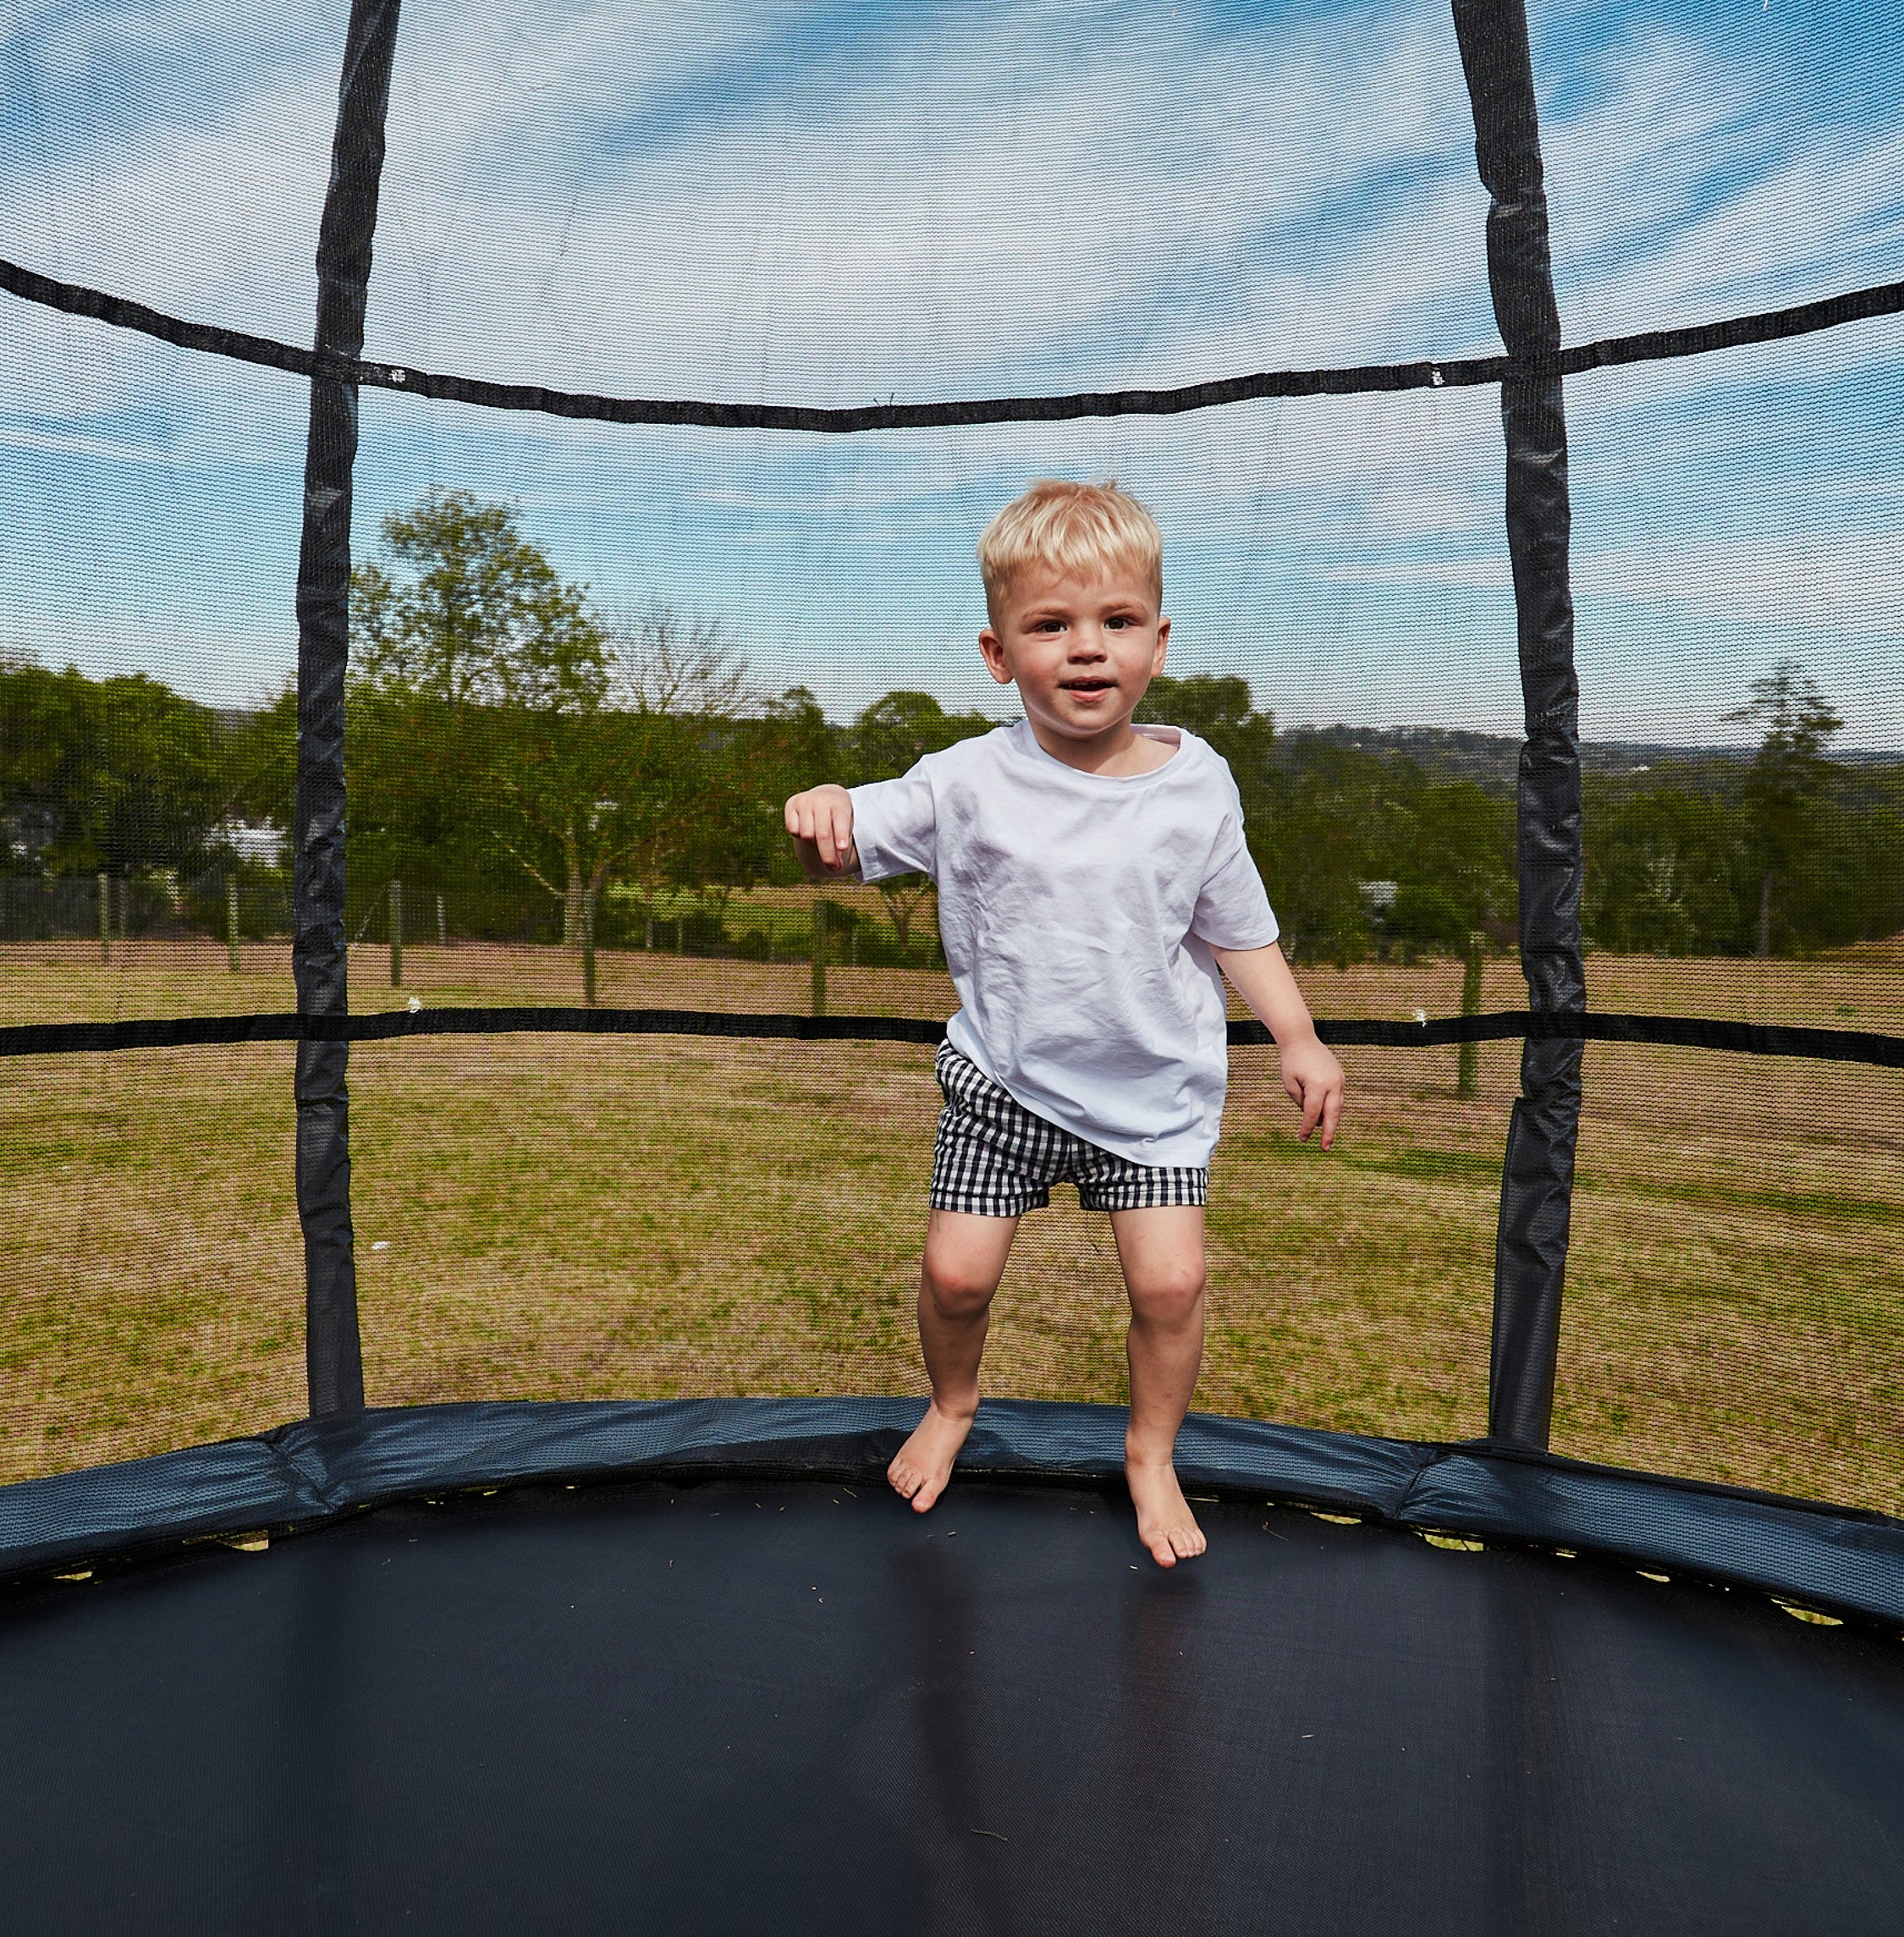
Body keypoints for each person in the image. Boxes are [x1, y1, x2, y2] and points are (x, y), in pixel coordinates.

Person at [784, 479, 1344, 1567]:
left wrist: (1298, 1035)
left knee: (1172, 1284)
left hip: (1153, 1097)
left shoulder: (1199, 785)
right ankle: (953, 1406)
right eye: (1051, 626)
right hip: (1004, 1085)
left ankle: (1150, 1453)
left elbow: (1239, 929)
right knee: (955, 1277)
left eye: (1115, 622)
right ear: (999, 654)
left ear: (1158, 642)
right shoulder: (965, 780)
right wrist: (823, 814)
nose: (1087, 650)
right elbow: (849, 836)